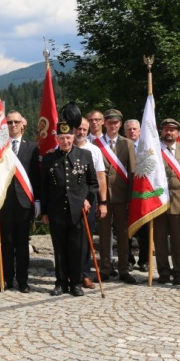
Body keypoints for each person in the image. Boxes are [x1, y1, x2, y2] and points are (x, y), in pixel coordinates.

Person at [41, 104, 99, 297]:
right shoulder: (50, 159)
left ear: (73, 137)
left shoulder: (85, 155)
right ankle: (60, 282)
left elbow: (93, 184)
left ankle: (75, 283)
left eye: (68, 137)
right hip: (57, 211)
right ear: (56, 139)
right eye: (61, 138)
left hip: (78, 211)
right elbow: (44, 187)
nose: (65, 141)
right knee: (59, 249)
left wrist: (88, 200)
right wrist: (45, 212)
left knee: (77, 248)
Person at [88, 108, 137, 284]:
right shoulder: (95, 144)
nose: (113, 125)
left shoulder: (128, 144)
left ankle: (124, 269)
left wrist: (131, 199)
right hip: (103, 197)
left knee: (123, 234)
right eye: (109, 122)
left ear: (120, 124)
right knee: (103, 234)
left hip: (122, 196)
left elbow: (132, 172)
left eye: (116, 122)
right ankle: (105, 269)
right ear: (104, 123)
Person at [0, 111, 41, 293]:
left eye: (16, 122)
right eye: (9, 122)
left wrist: (37, 200)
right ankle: (6, 279)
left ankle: (23, 281)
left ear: (23, 124)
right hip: (4, 202)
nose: (12, 125)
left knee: (22, 244)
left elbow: (35, 175)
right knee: (5, 242)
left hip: (24, 202)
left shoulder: (33, 147)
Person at [154, 119, 180, 285]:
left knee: (178, 239)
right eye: (166, 130)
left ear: (178, 133)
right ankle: (163, 272)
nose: (169, 133)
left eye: (172, 130)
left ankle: (179, 272)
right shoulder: (154, 150)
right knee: (160, 239)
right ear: (161, 132)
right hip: (158, 201)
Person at [73, 117, 108, 289]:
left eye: (84, 129)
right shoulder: (64, 147)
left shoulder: (94, 150)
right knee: (70, 238)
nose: (80, 132)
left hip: (89, 199)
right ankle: (70, 274)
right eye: (78, 128)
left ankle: (85, 274)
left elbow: (100, 178)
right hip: (69, 200)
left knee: (86, 239)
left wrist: (103, 202)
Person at [124, 118, 148, 272]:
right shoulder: (120, 146)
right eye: (129, 129)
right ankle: (128, 260)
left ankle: (144, 260)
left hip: (142, 194)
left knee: (144, 230)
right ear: (124, 132)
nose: (132, 131)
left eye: (134, 129)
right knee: (125, 230)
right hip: (124, 193)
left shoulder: (148, 147)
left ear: (140, 131)